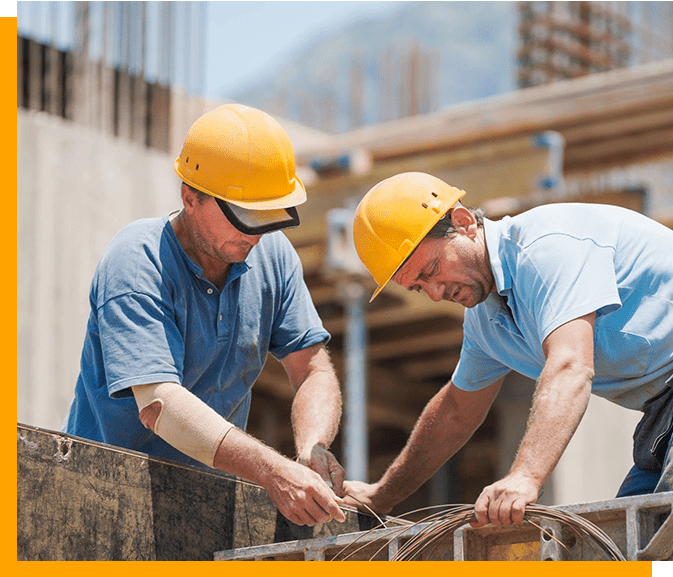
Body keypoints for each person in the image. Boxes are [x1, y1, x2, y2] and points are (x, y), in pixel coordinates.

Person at [63, 104, 346, 527]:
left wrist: (312, 449)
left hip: (206, 505)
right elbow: (160, 405)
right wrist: (272, 471)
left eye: (266, 216)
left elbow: (313, 370)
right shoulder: (138, 261)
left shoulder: (273, 256)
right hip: (100, 500)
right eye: (242, 216)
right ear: (189, 197)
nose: (254, 233)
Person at [343, 171, 673, 527]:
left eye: (433, 269)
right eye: (420, 287)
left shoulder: (545, 248)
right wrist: (383, 495)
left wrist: (525, 476)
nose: (436, 294)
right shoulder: (487, 323)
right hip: (662, 417)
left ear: (463, 222)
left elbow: (570, 367)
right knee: (629, 549)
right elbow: (456, 411)